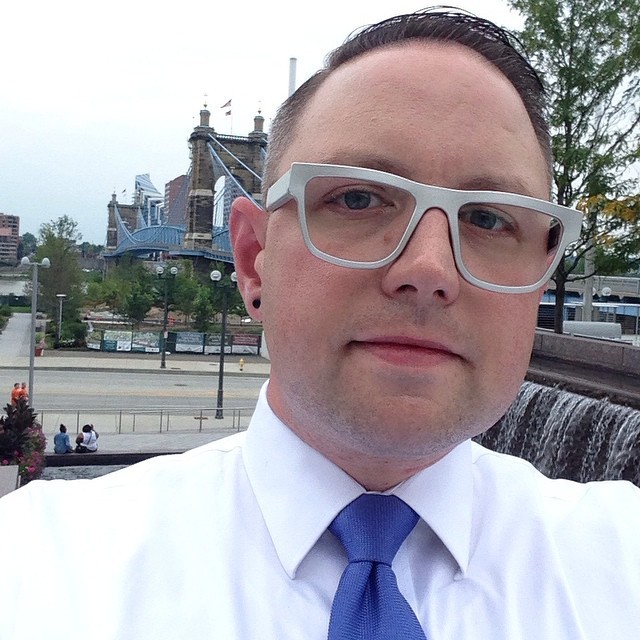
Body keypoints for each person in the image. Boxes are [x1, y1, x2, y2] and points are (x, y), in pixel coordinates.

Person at [0, 8, 639, 639]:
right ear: (252, 262)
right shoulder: (37, 572)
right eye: (357, 198)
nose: (428, 268)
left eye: (491, 218)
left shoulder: (620, 566)